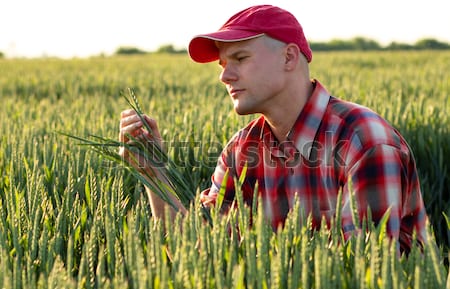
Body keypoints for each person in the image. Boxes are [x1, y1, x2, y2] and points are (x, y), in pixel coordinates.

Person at [119, 5, 427, 253]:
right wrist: (153, 172)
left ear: (289, 57)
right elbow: (200, 252)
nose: (224, 77)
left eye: (240, 58)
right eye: (222, 65)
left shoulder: (362, 139)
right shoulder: (241, 150)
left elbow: (363, 273)